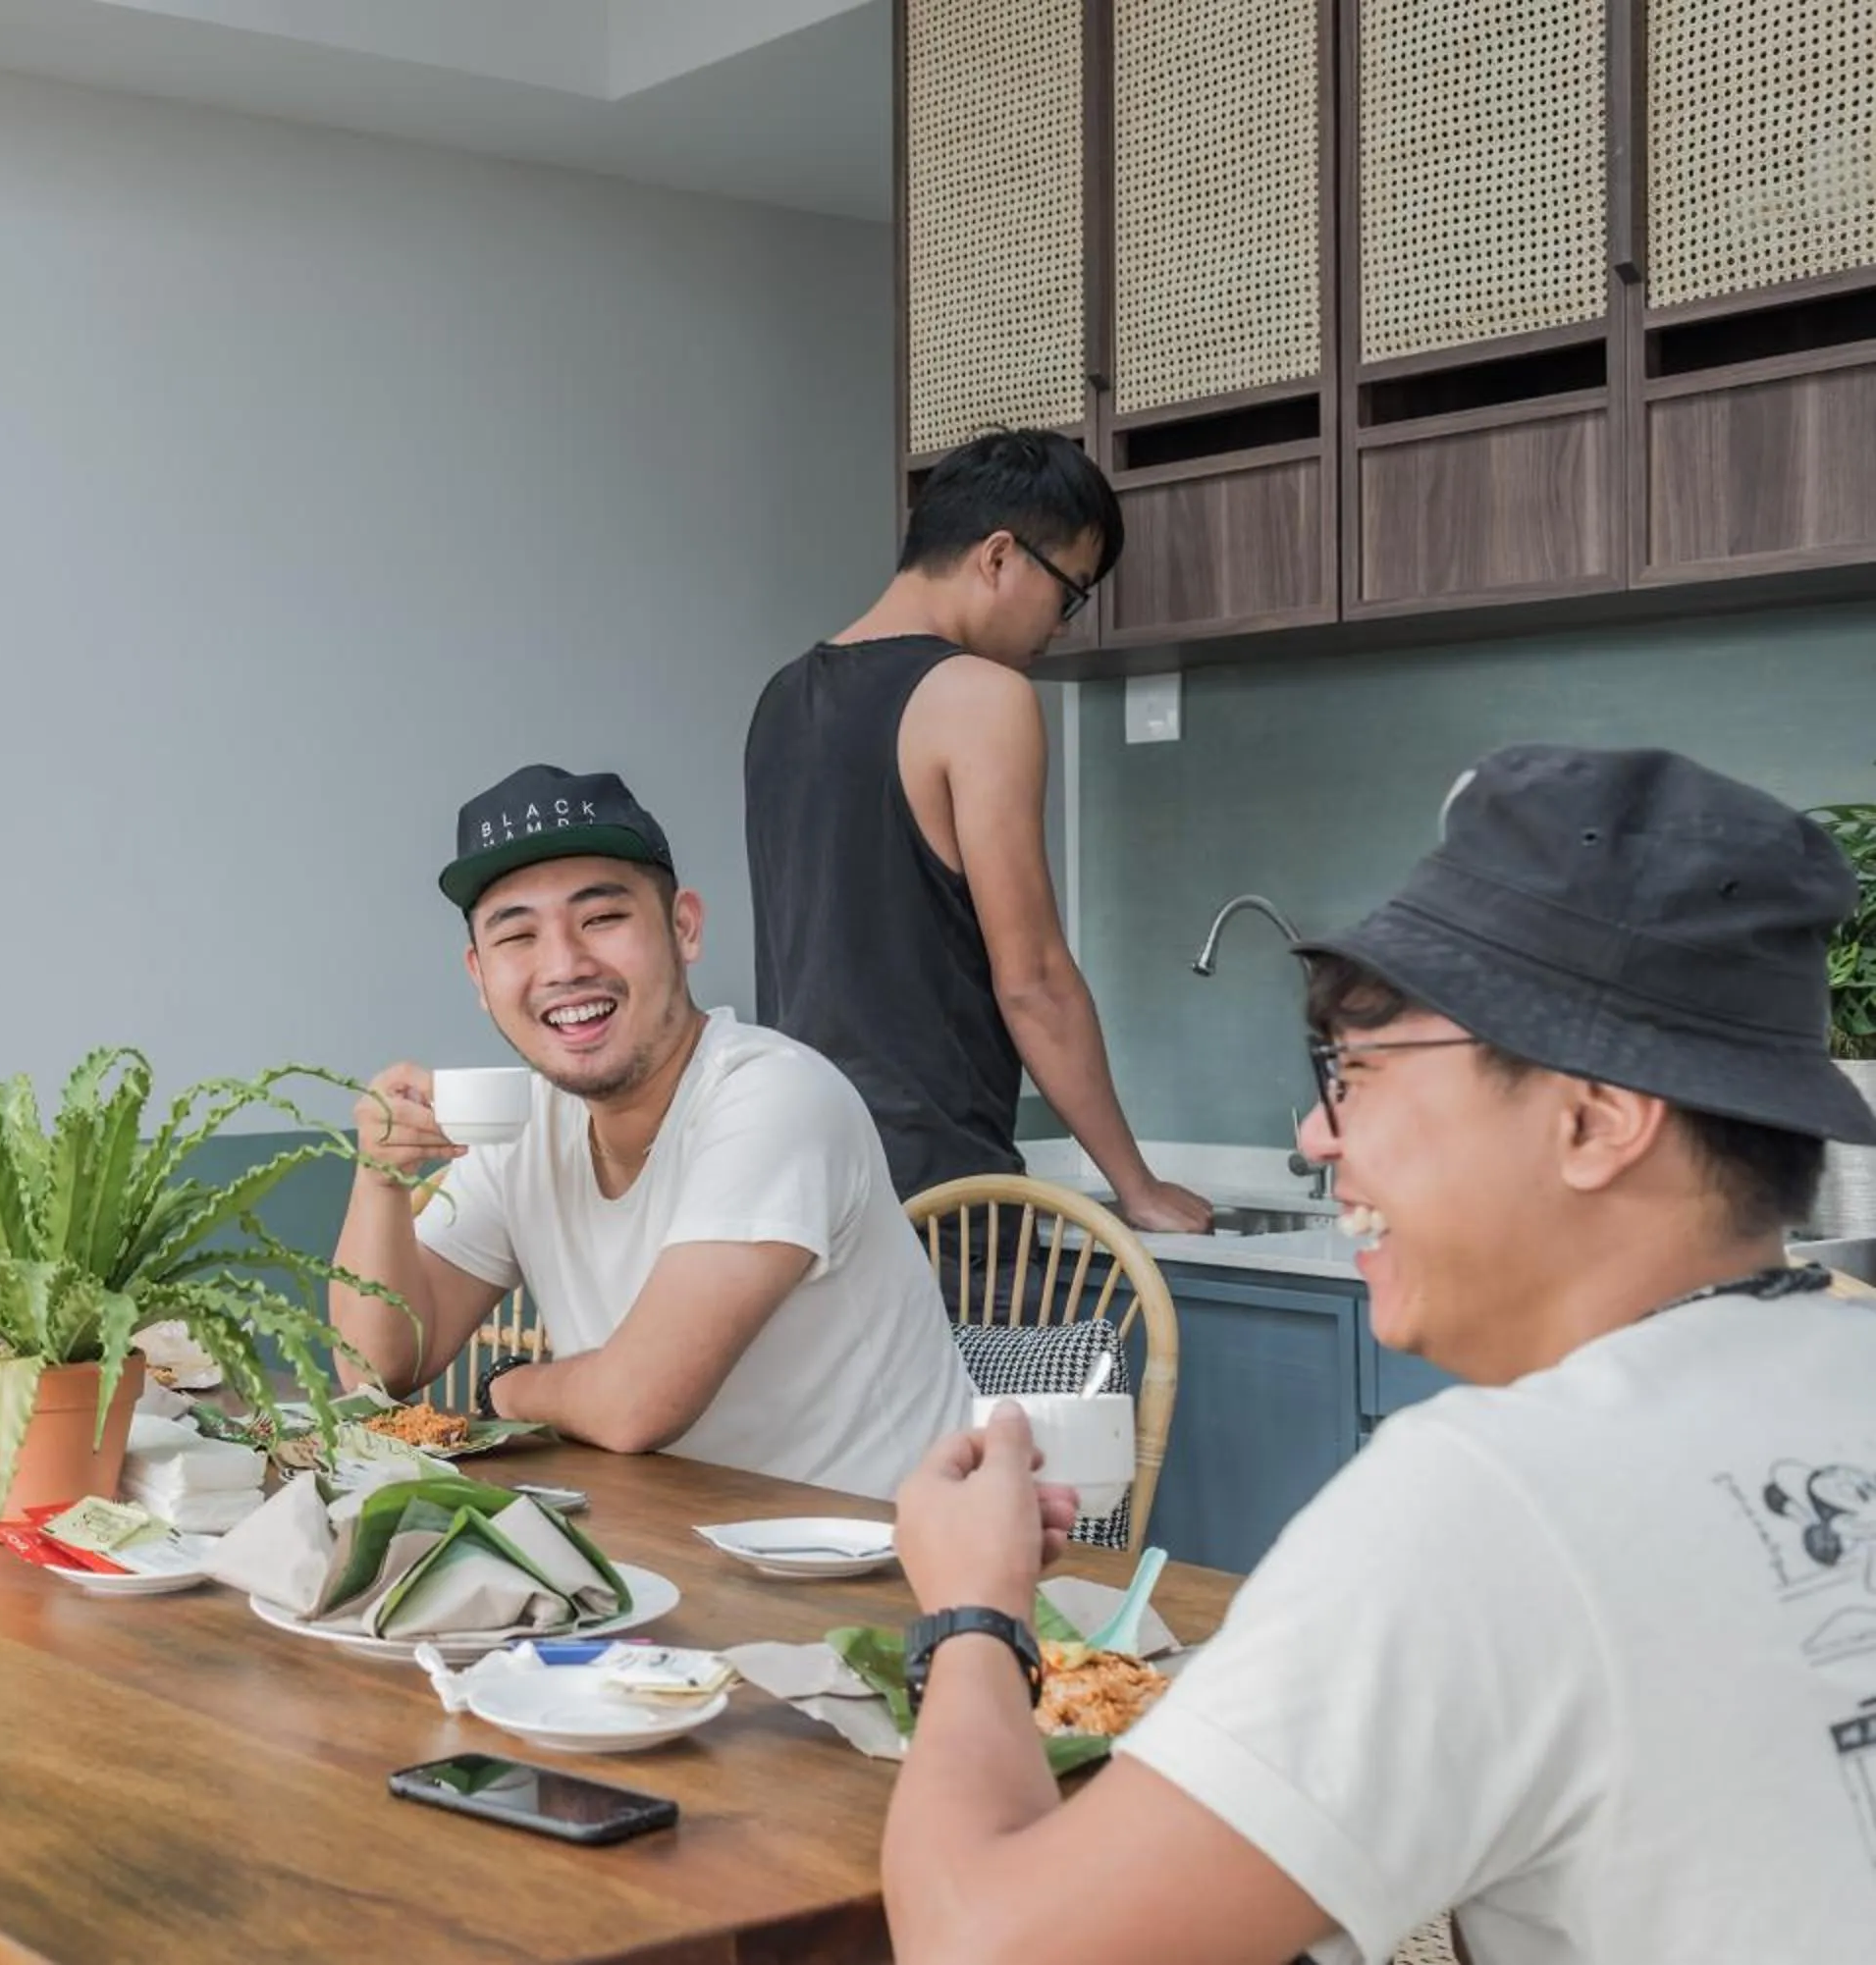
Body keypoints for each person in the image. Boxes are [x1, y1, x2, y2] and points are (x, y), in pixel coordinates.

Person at [878, 745, 1876, 1965]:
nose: (1315, 1134)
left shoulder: (1495, 1496)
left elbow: (983, 1949)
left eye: (1355, 1069)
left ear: (1594, 1119)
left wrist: (973, 1611)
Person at [329, 764, 973, 1498]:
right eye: (518, 936)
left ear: (683, 928)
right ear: (480, 976)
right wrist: (379, 1179)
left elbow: (637, 1405)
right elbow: (377, 1370)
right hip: (671, 1551)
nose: (565, 965)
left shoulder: (774, 1096)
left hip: (882, 1572)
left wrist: (512, 1390)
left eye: (602, 919)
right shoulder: (534, 1123)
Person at [745, 429, 1209, 1263]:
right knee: (1021, 1398)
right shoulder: (979, 697)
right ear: (1000, 557)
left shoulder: (783, 697)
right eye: (1069, 592)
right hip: (938, 1192)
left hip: (799, 1179)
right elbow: (1032, 979)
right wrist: (1135, 1187)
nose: (1060, 629)